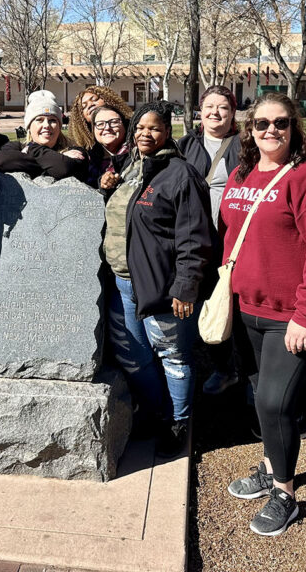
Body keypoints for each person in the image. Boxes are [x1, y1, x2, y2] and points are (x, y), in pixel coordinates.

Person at [223, 93, 306, 537]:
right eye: (261, 124)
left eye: (280, 123)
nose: (270, 131)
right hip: (246, 309)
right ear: (249, 129)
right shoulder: (242, 174)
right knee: (261, 393)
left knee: (273, 402)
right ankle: (271, 463)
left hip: (289, 315)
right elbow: (235, 234)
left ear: (295, 128)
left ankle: (285, 492)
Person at [102, 101, 216, 457]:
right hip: (123, 283)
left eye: (154, 128)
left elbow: (194, 238)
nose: (145, 134)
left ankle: (179, 422)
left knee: (173, 356)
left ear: (168, 132)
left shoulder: (180, 174)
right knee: (135, 356)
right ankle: (157, 412)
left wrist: (185, 287)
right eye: (139, 128)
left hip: (163, 287)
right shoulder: (131, 167)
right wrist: (107, 187)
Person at [178, 85, 245, 397]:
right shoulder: (186, 144)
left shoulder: (246, 144)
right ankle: (223, 368)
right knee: (209, 302)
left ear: (232, 113)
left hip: (235, 240)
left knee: (239, 306)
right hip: (198, 241)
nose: (216, 113)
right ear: (200, 111)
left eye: (223, 107)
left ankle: (250, 372)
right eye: (210, 106)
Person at [0, 90, 88, 181]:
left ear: (59, 126)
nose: (46, 125)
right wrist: (56, 159)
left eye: (52, 120)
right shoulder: (16, 147)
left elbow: (63, 168)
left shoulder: (76, 151)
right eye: (39, 120)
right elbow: (2, 161)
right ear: (29, 126)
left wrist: (33, 149)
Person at [68, 84, 134, 151]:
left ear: (108, 100)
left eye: (94, 99)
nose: (90, 105)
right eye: (84, 106)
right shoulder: (83, 150)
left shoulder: (133, 131)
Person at [90, 105, 131, 189]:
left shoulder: (135, 156)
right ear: (93, 130)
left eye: (114, 122)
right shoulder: (89, 158)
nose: (107, 127)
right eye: (100, 124)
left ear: (124, 126)